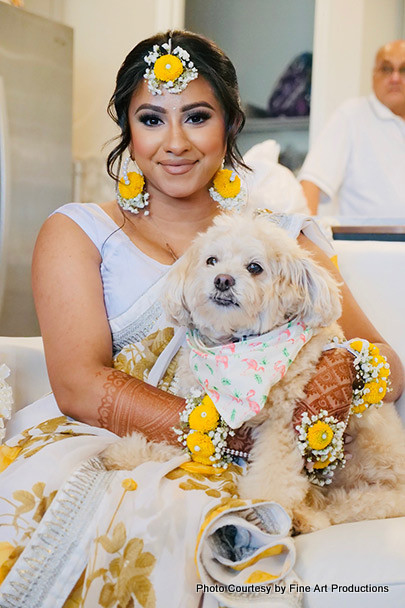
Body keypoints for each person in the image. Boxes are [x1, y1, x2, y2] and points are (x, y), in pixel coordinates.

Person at [0, 30, 403, 607]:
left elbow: (385, 364)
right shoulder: (82, 231)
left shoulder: (282, 239)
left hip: (277, 454)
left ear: (230, 125)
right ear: (128, 130)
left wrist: (334, 378)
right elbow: (79, 382)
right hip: (132, 438)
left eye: (195, 116)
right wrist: (227, 433)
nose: (175, 142)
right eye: (151, 118)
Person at [299, 39, 405, 217]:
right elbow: (311, 182)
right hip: (368, 243)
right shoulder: (352, 115)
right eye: (386, 69)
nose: (395, 78)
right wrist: (305, 240)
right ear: (373, 76)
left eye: (403, 69)